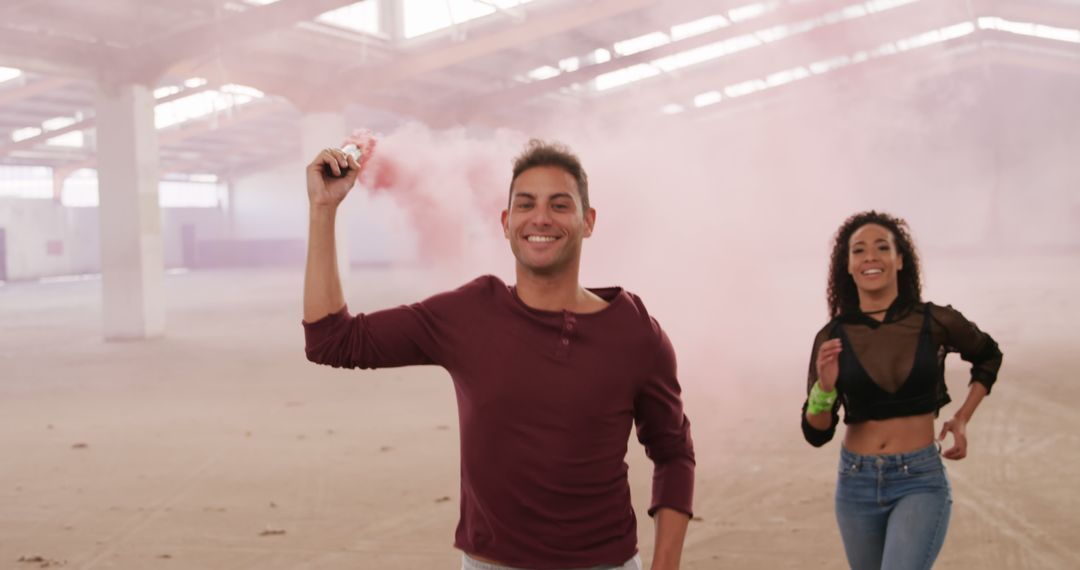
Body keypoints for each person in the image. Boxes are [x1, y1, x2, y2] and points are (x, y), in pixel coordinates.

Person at [302, 139, 695, 570]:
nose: (541, 217)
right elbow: (332, 340)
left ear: (588, 221)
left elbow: (673, 453)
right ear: (506, 223)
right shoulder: (469, 314)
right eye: (526, 205)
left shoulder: (634, 332)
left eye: (560, 205)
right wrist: (324, 210)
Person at [801, 210, 1003, 570]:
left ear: (900, 260)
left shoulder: (935, 321)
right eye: (858, 251)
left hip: (919, 480)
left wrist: (961, 418)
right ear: (847, 267)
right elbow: (816, 431)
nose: (871, 257)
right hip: (855, 483)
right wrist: (825, 388)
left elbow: (988, 355)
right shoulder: (832, 337)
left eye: (882, 247)